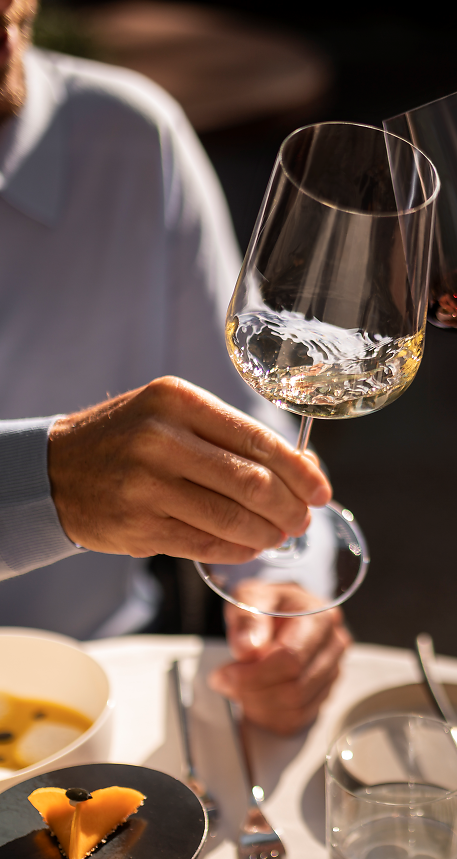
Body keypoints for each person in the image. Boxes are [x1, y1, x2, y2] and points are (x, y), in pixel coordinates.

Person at [0, 0, 350, 733]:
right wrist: (45, 482)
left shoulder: (129, 139)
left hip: (99, 693)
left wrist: (281, 597)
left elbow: (243, 429)